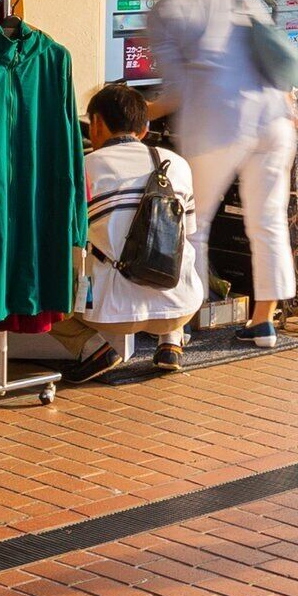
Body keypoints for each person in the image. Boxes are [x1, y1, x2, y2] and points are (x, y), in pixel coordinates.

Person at [120, 0, 298, 346]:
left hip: (219, 123)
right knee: (268, 220)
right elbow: (271, 44)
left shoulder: (163, 12)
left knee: (193, 222)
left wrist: (133, 112)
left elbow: (179, 91)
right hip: (273, 114)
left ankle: (182, 323)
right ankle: (263, 322)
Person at [65, 82, 201, 379]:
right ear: (144, 128)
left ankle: (93, 348)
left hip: (104, 314)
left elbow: (67, 237)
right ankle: (171, 343)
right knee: (171, 247)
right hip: (181, 307)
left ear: (96, 123)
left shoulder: (84, 167)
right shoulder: (177, 164)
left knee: (35, 286)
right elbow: (187, 233)